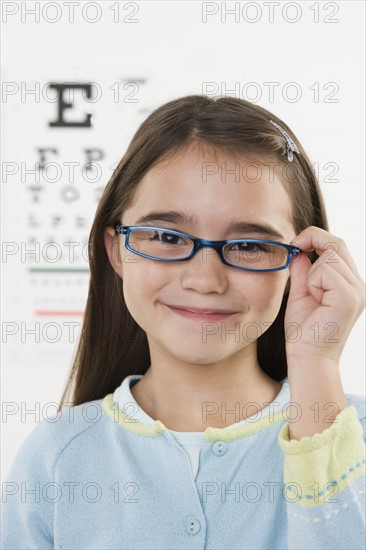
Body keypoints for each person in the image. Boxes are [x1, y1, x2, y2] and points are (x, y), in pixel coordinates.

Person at [2, 95, 365, 550]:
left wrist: (316, 363)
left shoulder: (353, 434)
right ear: (116, 251)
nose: (204, 279)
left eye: (250, 245)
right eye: (168, 237)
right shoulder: (56, 457)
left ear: (302, 264)